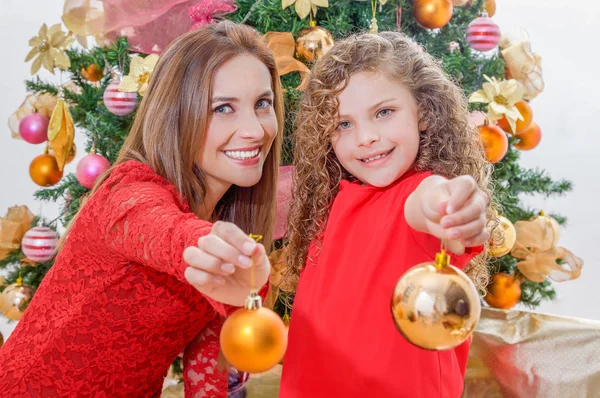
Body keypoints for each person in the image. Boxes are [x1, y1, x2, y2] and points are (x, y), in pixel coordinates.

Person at [0, 20, 282, 397]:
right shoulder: (128, 192)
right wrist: (216, 252)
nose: (255, 130)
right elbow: (167, 233)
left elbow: (208, 363)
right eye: (223, 108)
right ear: (176, 114)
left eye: (262, 104)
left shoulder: (226, 223)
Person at [280, 31, 497, 397]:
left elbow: (433, 200)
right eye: (343, 124)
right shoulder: (333, 203)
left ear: (424, 113)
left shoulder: (417, 193)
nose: (365, 137)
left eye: (383, 112)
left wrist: (454, 206)